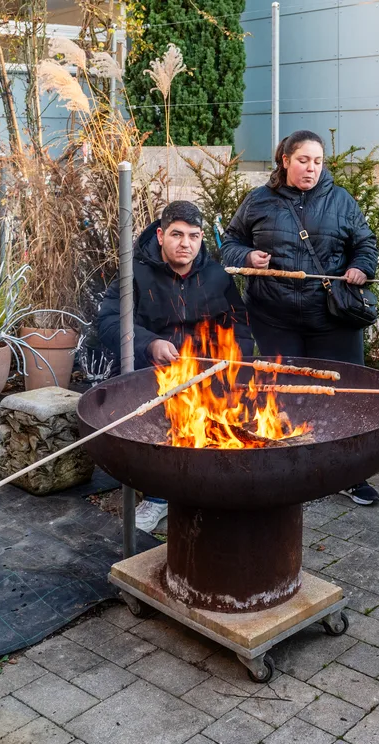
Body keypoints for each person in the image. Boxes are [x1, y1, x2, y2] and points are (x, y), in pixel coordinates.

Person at [221, 130, 379, 505]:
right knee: (284, 391)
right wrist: (247, 257)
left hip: (332, 316)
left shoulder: (341, 200)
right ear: (285, 160)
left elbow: (366, 243)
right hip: (274, 315)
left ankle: (351, 473)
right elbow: (229, 242)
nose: (311, 168)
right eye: (303, 160)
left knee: (343, 392)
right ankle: (291, 467)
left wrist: (360, 265)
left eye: (317, 161)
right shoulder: (258, 200)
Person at [97, 200, 253, 532]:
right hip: (150, 371)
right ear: (160, 234)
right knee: (157, 431)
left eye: (194, 236)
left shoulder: (215, 275)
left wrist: (237, 368)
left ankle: (206, 487)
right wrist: (150, 343)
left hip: (207, 372)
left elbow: (239, 327)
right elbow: (109, 323)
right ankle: (156, 498)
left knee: (224, 418)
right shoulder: (135, 272)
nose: (186, 244)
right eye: (177, 235)